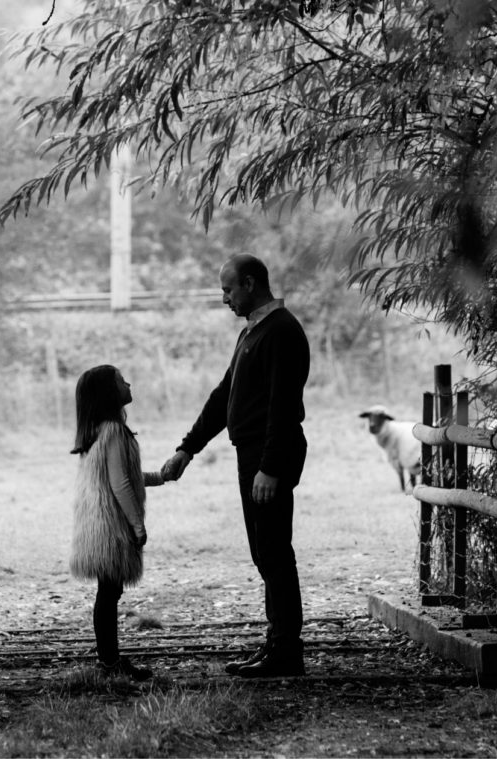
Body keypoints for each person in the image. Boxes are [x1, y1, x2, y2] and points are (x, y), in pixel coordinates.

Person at [161, 254, 310, 678]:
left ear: (249, 283)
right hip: (254, 454)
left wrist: (271, 466)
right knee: (265, 553)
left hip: (269, 457)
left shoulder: (280, 332)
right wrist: (187, 449)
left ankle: (286, 652)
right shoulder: (254, 332)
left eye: (228, 290)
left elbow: (282, 406)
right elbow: (225, 397)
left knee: (275, 552)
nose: (224, 298)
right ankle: (278, 644)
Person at [70, 364, 165, 681]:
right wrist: (138, 526)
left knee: (108, 594)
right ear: (109, 393)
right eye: (120, 380)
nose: (128, 383)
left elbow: (126, 476)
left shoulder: (98, 431)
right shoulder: (112, 431)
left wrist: (160, 477)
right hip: (111, 527)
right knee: (109, 595)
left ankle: (109, 661)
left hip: (96, 524)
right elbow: (121, 484)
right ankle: (109, 664)